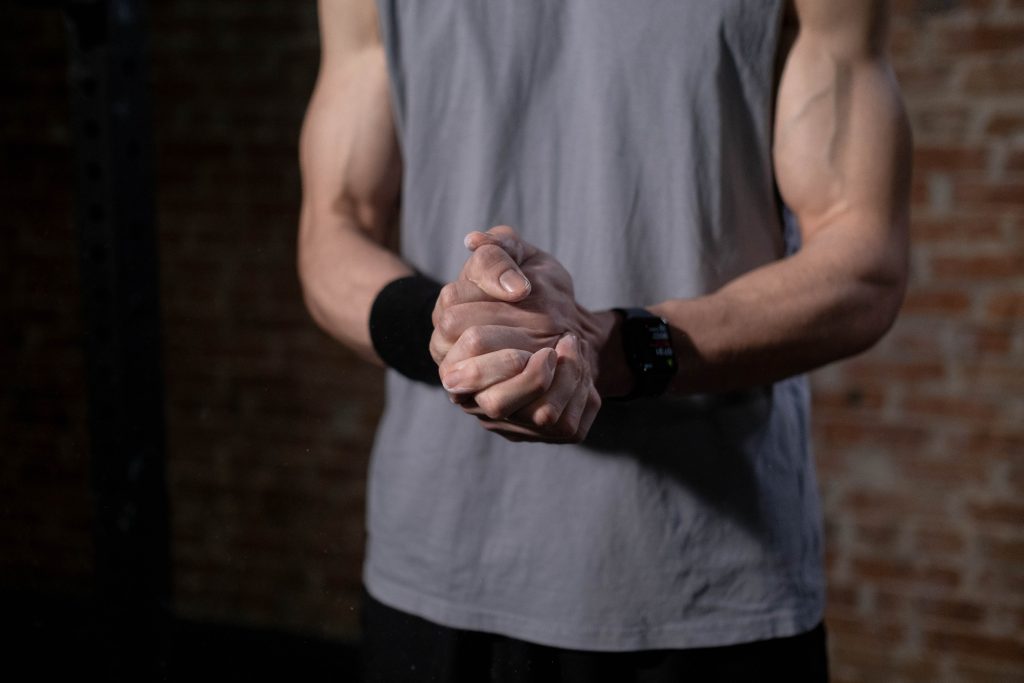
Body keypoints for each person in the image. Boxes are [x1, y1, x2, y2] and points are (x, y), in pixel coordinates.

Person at [297, 0, 911, 680]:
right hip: (436, 570)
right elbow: (333, 225)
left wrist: (614, 348)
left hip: (704, 581)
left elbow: (864, 261)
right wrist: (445, 332)